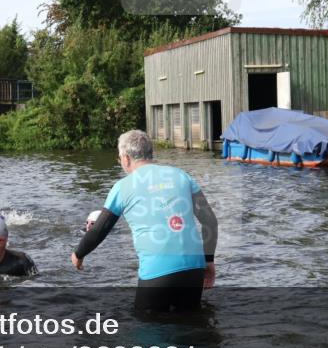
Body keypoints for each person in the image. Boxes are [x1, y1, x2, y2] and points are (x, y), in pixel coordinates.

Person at [71, 130, 218, 314]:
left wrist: (79, 254)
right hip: (194, 266)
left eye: (119, 159)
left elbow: (100, 229)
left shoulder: (122, 187)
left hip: (158, 269)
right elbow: (210, 221)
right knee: (190, 324)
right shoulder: (181, 176)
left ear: (125, 158)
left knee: (148, 329)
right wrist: (209, 261)